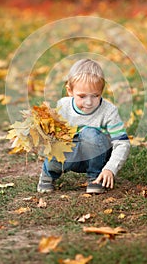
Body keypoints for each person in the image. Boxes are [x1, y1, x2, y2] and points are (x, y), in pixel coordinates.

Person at [37, 58, 130, 194]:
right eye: (82, 96)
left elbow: (122, 143)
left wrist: (110, 168)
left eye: (95, 96)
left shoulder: (108, 111)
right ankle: (48, 174)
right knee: (56, 140)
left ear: (101, 91)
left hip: (97, 154)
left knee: (89, 133)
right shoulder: (63, 106)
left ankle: (95, 177)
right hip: (72, 154)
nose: (89, 102)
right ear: (70, 91)